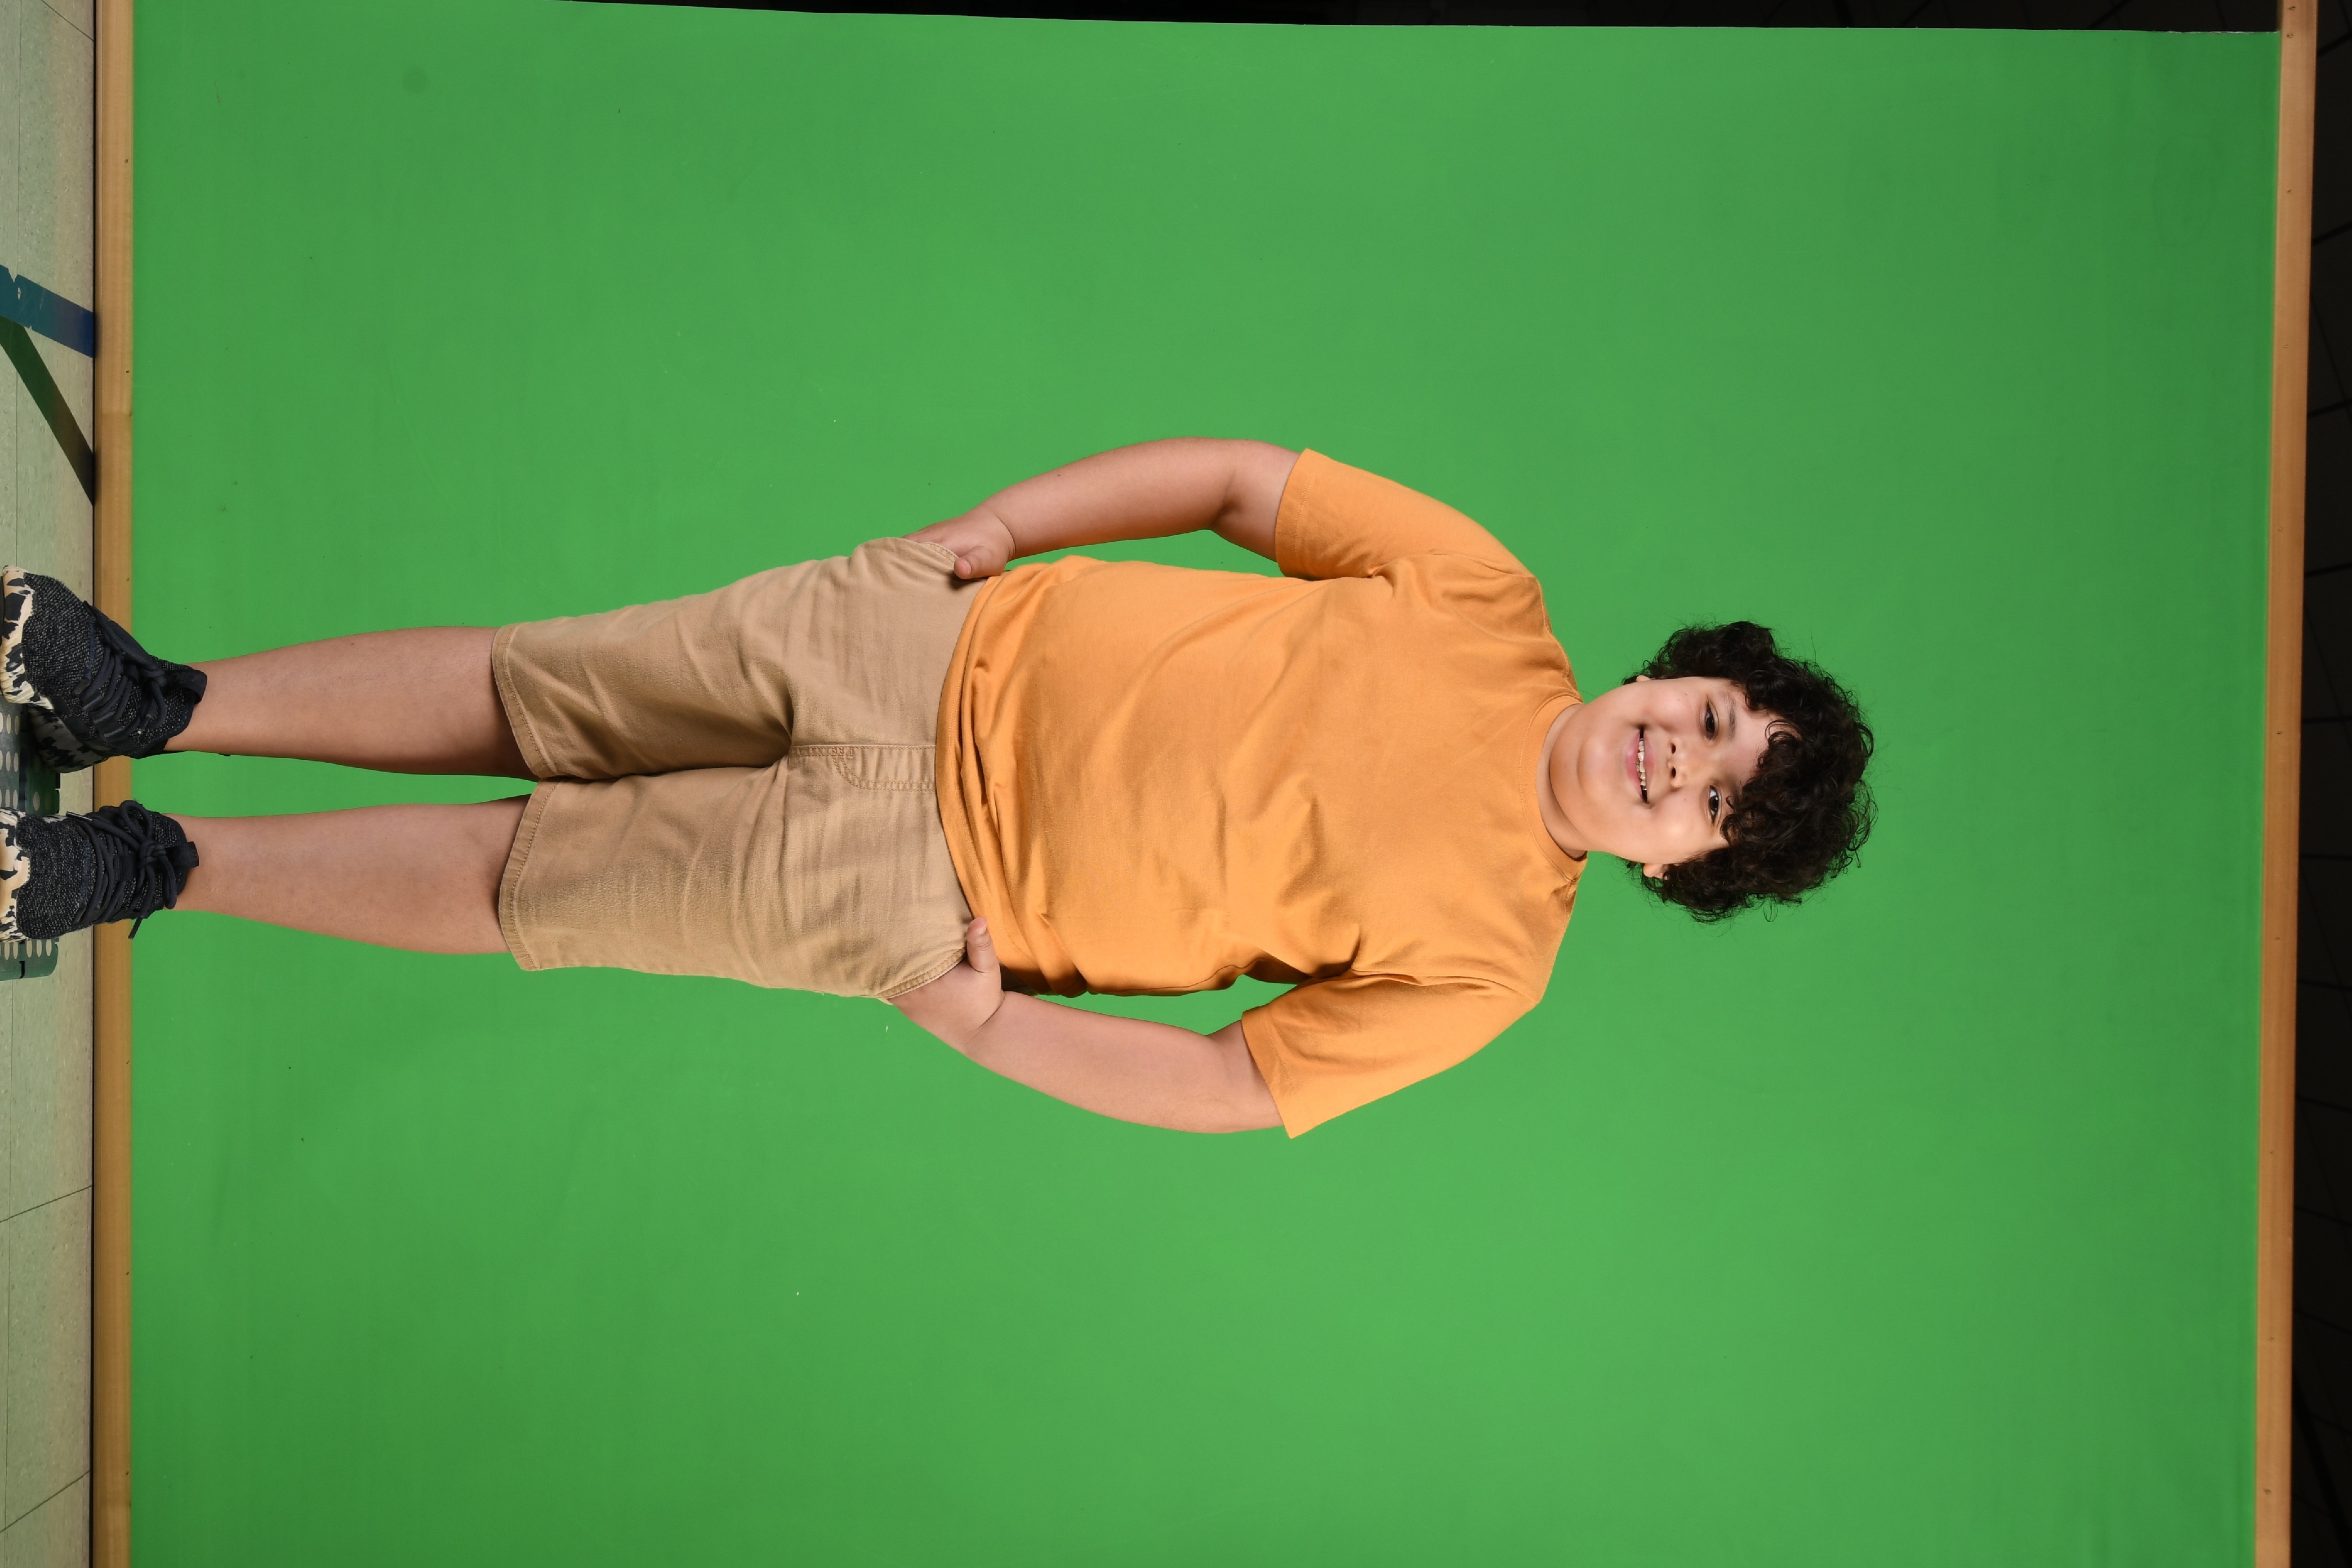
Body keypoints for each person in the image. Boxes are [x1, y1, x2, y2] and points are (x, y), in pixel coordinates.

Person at [0, 440, 1873, 1136]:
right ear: (1674, 670)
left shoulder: (1495, 965)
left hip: (921, 890)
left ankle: (148, 864)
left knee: (531, 883)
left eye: (1711, 798)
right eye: (1710, 716)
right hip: (921, 645)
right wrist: (1000, 524)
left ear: (1676, 868)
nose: (1679, 755)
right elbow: (1241, 482)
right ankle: (150, 698)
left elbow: (1238, 1083)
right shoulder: (1487, 597)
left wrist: (991, 1030)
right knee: (536, 685)